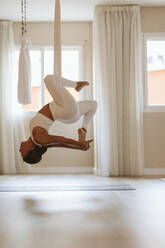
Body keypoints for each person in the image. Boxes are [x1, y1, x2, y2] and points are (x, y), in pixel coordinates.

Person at [19, 74, 97, 164]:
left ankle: (83, 128)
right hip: (65, 110)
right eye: (22, 153)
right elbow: (62, 140)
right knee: (48, 79)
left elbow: (62, 144)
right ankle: (76, 85)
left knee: (94, 104)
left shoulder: (40, 142)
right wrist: (80, 145)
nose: (19, 151)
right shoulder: (39, 139)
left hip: (67, 115)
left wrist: (81, 147)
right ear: (31, 149)